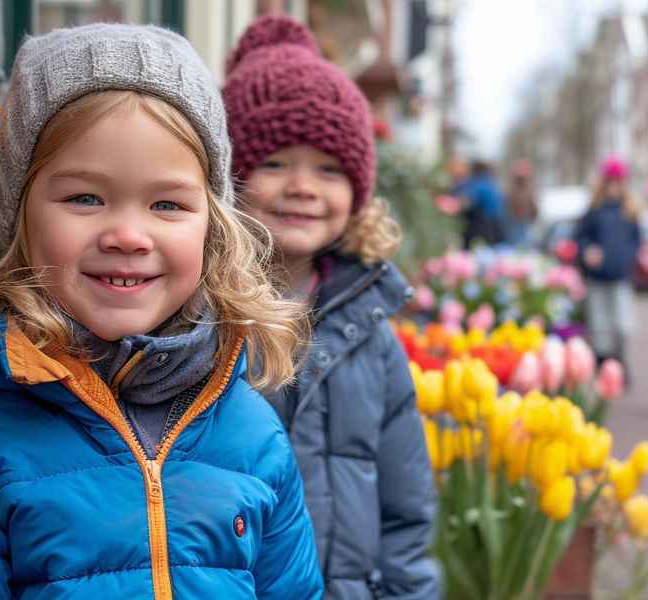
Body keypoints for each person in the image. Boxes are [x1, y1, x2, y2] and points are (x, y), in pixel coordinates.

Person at [0, 24, 322, 598]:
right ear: (19, 220)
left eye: (166, 204)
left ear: (211, 228)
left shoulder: (254, 435)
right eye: (85, 198)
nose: (127, 234)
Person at [223, 15, 438, 599]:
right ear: (228, 180)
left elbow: (405, 516)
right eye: (274, 163)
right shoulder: (199, 321)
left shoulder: (370, 335)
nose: (304, 187)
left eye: (329, 168)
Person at [574, 156, 641, 378]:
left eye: (617, 181)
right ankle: (603, 364)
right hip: (598, 277)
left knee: (622, 324)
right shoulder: (594, 210)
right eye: (610, 181)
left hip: (620, 276)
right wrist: (587, 250)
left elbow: (636, 240)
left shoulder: (629, 210)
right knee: (600, 324)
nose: (614, 185)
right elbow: (580, 237)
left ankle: (620, 362)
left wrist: (627, 257)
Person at [454, 160, 506, 248]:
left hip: (481, 226)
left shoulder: (478, 183)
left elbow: (466, 201)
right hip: (495, 225)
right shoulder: (491, 184)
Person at [505, 158, 538, 246]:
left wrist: (533, 214)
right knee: (517, 241)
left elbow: (533, 205)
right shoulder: (514, 190)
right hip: (515, 221)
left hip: (524, 221)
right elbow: (508, 205)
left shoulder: (527, 190)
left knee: (524, 242)